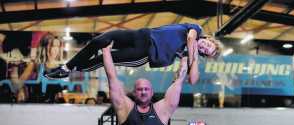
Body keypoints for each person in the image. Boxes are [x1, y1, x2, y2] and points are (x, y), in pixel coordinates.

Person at [44, 23, 222, 85]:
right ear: (208, 38)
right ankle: (66, 67)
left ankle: (71, 70)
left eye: (206, 51)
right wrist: (193, 57)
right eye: (208, 44)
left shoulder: (186, 54)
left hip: (143, 53)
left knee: (104, 59)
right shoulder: (196, 30)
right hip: (141, 35)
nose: (205, 46)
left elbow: (193, 80)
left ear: (203, 54)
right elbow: (191, 40)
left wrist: (192, 62)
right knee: (99, 41)